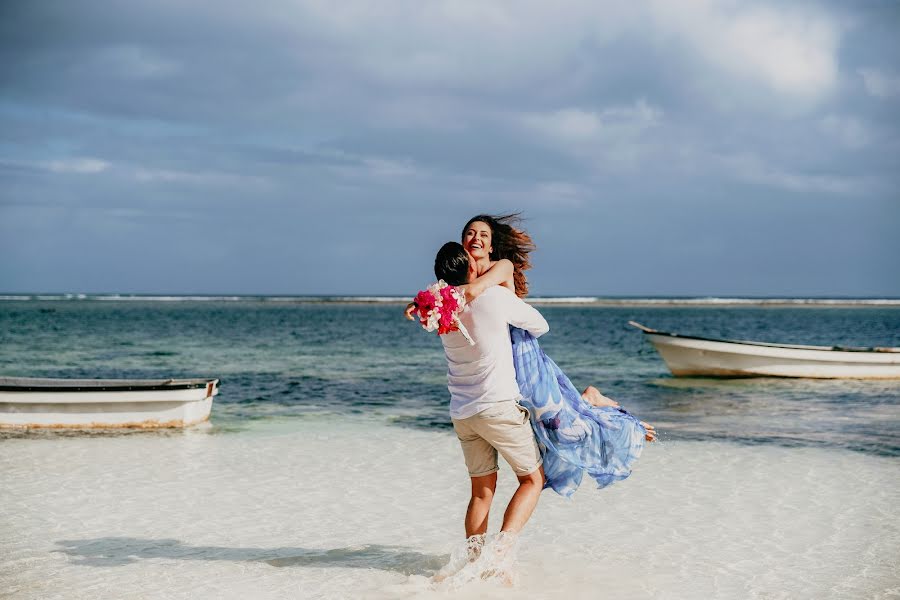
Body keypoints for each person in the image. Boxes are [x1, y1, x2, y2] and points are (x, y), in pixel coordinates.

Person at [410, 214, 655, 497]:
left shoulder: (500, 267)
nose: (476, 238)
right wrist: (423, 302)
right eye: (470, 233)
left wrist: (430, 300)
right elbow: (451, 294)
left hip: (521, 354)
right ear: (462, 243)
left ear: (491, 246)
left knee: (561, 428)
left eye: (484, 235)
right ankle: (586, 403)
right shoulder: (457, 282)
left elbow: (474, 291)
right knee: (543, 434)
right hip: (499, 366)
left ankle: (602, 408)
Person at [431, 241, 551, 549]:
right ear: (472, 268)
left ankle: (475, 561)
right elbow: (541, 326)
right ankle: (501, 553)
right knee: (533, 479)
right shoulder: (494, 297)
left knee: (481, 493)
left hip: (463, 413)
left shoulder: (441, 314)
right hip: (496, 406)